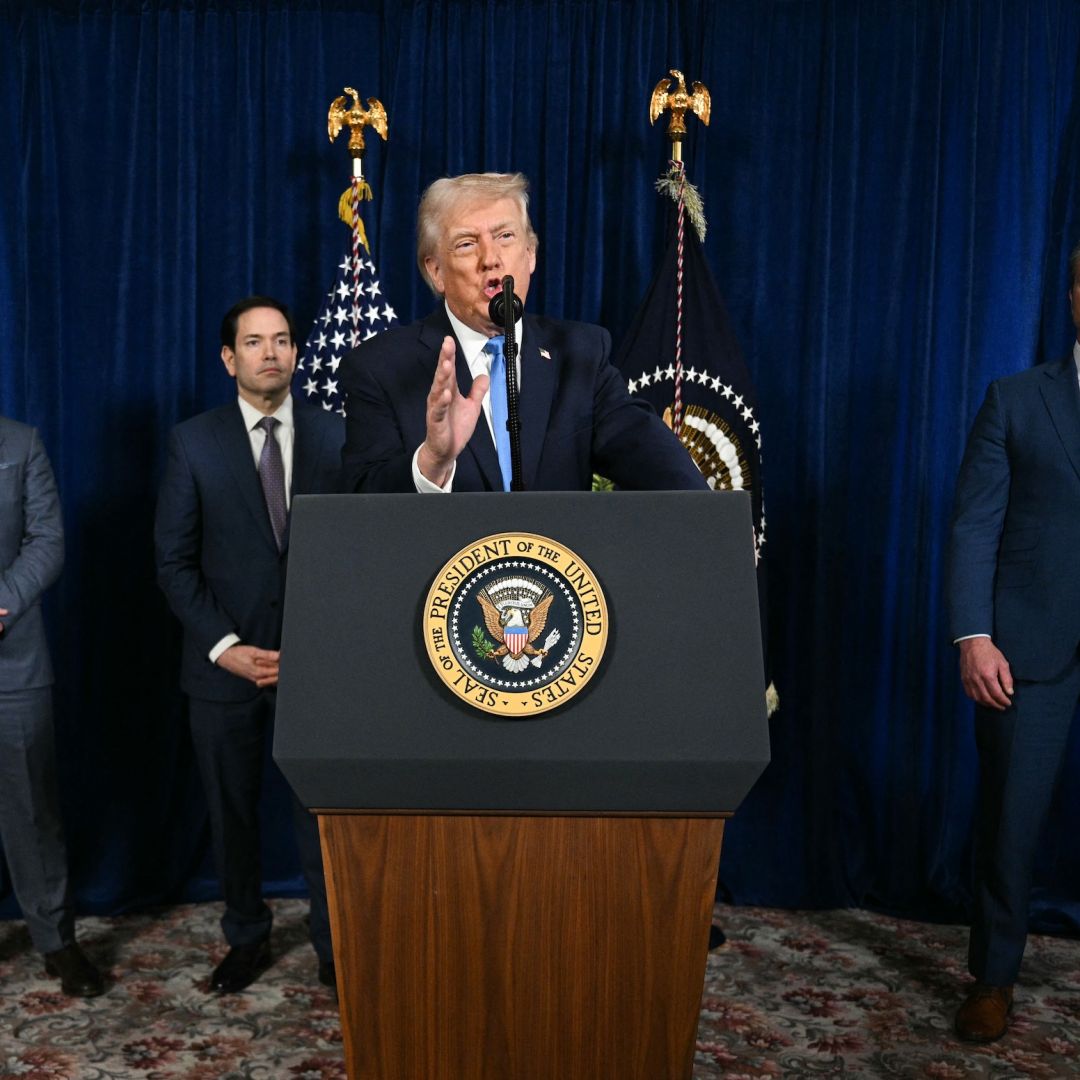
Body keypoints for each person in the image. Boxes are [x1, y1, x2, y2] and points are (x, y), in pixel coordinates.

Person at [155, 296, 344, 994]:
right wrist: (227, 646)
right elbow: (172, 562)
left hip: (315, 668)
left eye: (284, 340)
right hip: (224, 670)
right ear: (229, 359)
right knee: (230, 813)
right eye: (256, 342)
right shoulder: (192, 442)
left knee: (320, 816)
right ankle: (245, 937)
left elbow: (359, 557)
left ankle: (333, 944)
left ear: (297, 353)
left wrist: (317, 646)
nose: (272, 353)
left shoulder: (337, 435)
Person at [340, 171, 708, 494]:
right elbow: (360, 506)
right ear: (436, 271)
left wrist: (715, 523)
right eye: (467, 243)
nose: (491, 259)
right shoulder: (382, 368)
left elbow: (657, 464)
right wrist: (432, 461)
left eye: (505, 236)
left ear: (530, 254)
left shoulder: (579, 354)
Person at [946, 242, 1080, 1042]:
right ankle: (993, 978)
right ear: (1072, 298)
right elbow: (975, 527)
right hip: (1026, 651)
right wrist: (974, 635)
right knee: (1010, 823)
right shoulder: (1016, 400)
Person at [0, 416, 103, 997]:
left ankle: (56, 941)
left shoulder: (21, 443)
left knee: (32, 807)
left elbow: (47, 538)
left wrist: (1, 605)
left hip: (13, 657)